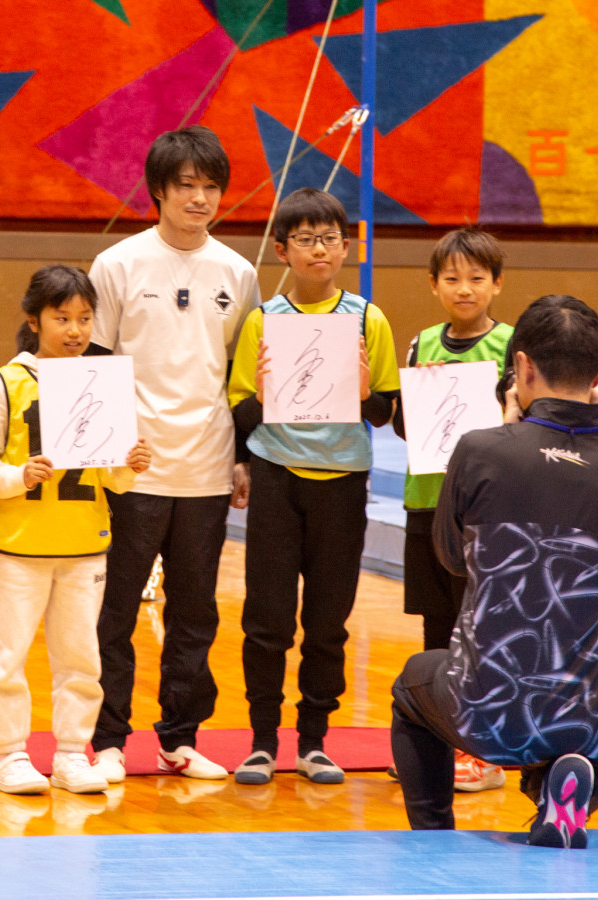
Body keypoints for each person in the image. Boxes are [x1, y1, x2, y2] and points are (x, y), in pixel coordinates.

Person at [389, 294, 598, 848]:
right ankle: (557, 793)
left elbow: (449, 555)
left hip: (491, 706)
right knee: (575, 732)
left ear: (521, 367)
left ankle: (434, 838)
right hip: (596, 715)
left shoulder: (480, 450)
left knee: (412, 686)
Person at [86, 125, 261, 782]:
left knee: (196, 612)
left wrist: (242, 457)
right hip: (134, 468)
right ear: (158, 190)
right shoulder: (119, 265)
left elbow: (241, 377)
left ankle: (179, 738)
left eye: (210, 186)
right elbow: (94, 365)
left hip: (208, 467)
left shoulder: (238, 273)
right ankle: (106, 739)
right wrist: (106, 448)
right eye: (186, 185)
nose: (199, 198)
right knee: (117, 609)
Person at [227, 187, 399, 785]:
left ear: (346, 247)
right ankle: (261, 740)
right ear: (282, 250)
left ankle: (315, 740)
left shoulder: (366, 319)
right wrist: (268, 395)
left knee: (328, 620)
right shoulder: (263, 321)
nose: (318, 249)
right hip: (276, 478)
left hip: (343, 484)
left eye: (328, 238)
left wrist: (360, 392)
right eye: (304, 239)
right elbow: (239, 409)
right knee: (267, 617)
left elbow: (385, 411)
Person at [0, 265, 151, 796]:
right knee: (9, 660)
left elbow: (112, 476)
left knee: (81, 660)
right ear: (34, 319)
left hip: (83, 546)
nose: (75, 330)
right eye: (62, 317)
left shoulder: (103, 382)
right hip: (19, 548)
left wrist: (131, 463)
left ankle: (72, 752)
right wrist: (17, 478)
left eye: (85, 318)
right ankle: (11, 757)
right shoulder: (5, 383)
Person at [391, 227, 513, 793]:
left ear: (497, 284)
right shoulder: (421, 345)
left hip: (487, 513)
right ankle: (437, 746)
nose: (464, 289)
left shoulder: (513, 346)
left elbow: (521, 424)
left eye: (476, 278)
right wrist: (411, 400)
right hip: (427, 507)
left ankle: (485, 750)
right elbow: (401, 426)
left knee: (483, 631)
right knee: (436, 633)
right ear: (434, 285)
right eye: (452, 279)